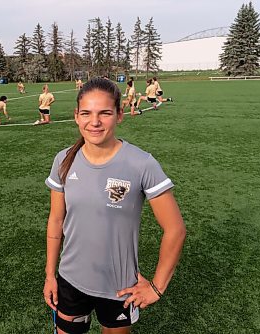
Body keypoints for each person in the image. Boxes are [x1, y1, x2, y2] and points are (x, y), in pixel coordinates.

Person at [43, 78, 186, 334]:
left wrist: (156, 287)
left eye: (105, 113)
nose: (94, 122)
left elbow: (175, 229)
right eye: (86, 113)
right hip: (70, 281)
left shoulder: (141, 164)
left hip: (120, 288)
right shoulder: (63, 159)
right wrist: (50, 275)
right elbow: (56, 221)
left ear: (119, 115)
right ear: (76, 116)